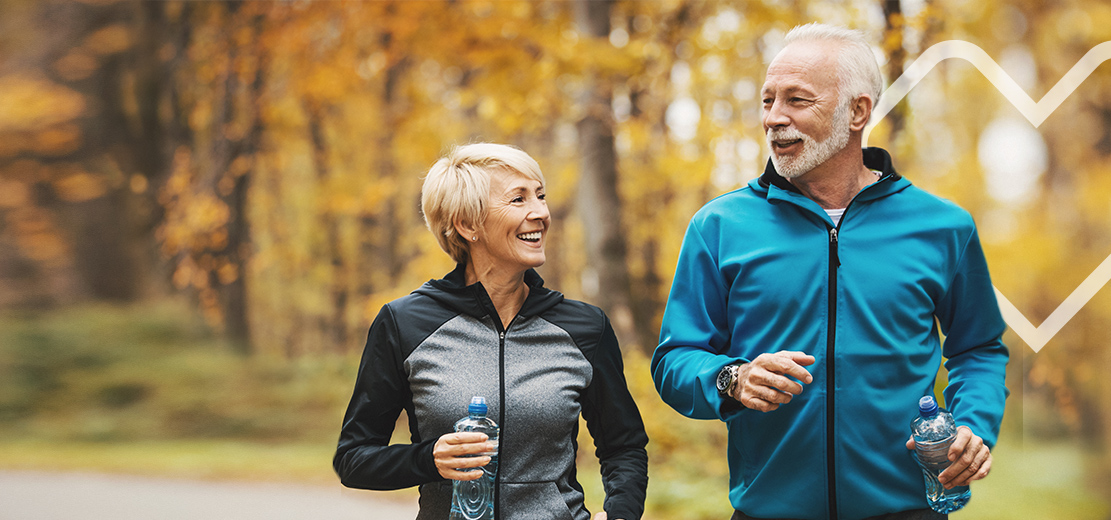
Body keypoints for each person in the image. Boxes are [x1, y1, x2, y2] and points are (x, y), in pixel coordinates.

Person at [650, 24, 1009, 520]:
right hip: (768, 513)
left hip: (908, 510)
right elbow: (674, 360)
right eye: (768, 100)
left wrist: (974, 425)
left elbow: (979, 348)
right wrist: (733, 377)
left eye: (797, 100)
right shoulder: (719, 226)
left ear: (857, 112)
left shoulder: (943, 227)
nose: (774, 118)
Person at [335, 143, 649, 520]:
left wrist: (621, 514)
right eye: (518, 199)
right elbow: (353, 459)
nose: (541, 212)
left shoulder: (584, 327)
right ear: (468, 225)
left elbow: (624, 447)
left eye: (541, 196)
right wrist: (428, 459)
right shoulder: (404, 323)